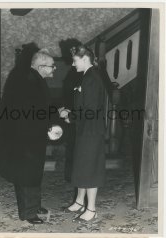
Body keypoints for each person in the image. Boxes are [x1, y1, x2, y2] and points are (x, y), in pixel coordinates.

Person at [0, 44, 56, 224]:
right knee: (27, 174)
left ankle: (34, 206)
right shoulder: (28, 80)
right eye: (52, 66)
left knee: (34, 173)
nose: (54, 69)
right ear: (40, 67)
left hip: (32, 136)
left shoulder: (33, 78)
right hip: (25, 138)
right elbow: (27, 111)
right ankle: (28, 213)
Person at [60, 45, 106, 222]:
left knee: (90, 168)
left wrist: (70, 117)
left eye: (75, 60)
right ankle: (79, 201)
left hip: (91, 130)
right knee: (81, 165)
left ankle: (91, 209)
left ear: (85, 59)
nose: (73, 64)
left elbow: (90, 110)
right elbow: (84, 105)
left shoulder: (92, 78)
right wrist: (71, 113)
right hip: (85, 129)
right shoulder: (86, 76)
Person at [59, 38, 83, 182]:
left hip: (78, 115)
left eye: (73, 52)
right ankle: (73, 177)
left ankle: (76, 177)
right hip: (71, 113)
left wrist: (72, 114)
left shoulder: (83, 72)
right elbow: (68, 92)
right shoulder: (74, 70)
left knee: (76, 147)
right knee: (72, 145)